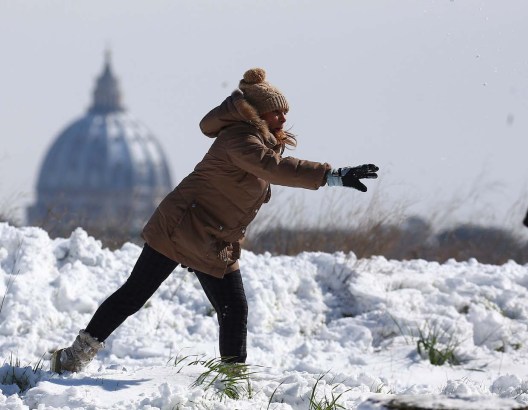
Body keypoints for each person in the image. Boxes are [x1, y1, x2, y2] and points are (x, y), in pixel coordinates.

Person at [51, 67, 379, 373]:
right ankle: (74, 357)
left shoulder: (260, 141)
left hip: (215, 237)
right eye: (275, 111)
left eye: (284, 111)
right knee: (135, 294)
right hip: (180, 227)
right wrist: (332, 176)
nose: (282, 117)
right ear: (256, 114)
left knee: (234, 309)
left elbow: (274, 163)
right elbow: (274, 169)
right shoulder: (239, 140)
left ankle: (232, 380)